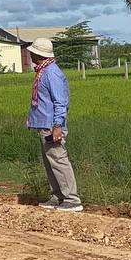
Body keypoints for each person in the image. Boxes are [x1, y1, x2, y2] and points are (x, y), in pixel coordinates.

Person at [26, 38, 82, 212]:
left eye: (32, 52)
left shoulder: (51, 73)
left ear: (37, 54)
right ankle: (58, 196)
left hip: (52, 125)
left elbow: (60, 102)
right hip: (44, 123)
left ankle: (72, 199)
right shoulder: (43, 71)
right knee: (51, 163)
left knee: (59, 161)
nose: (30, 54)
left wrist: (57, 125)